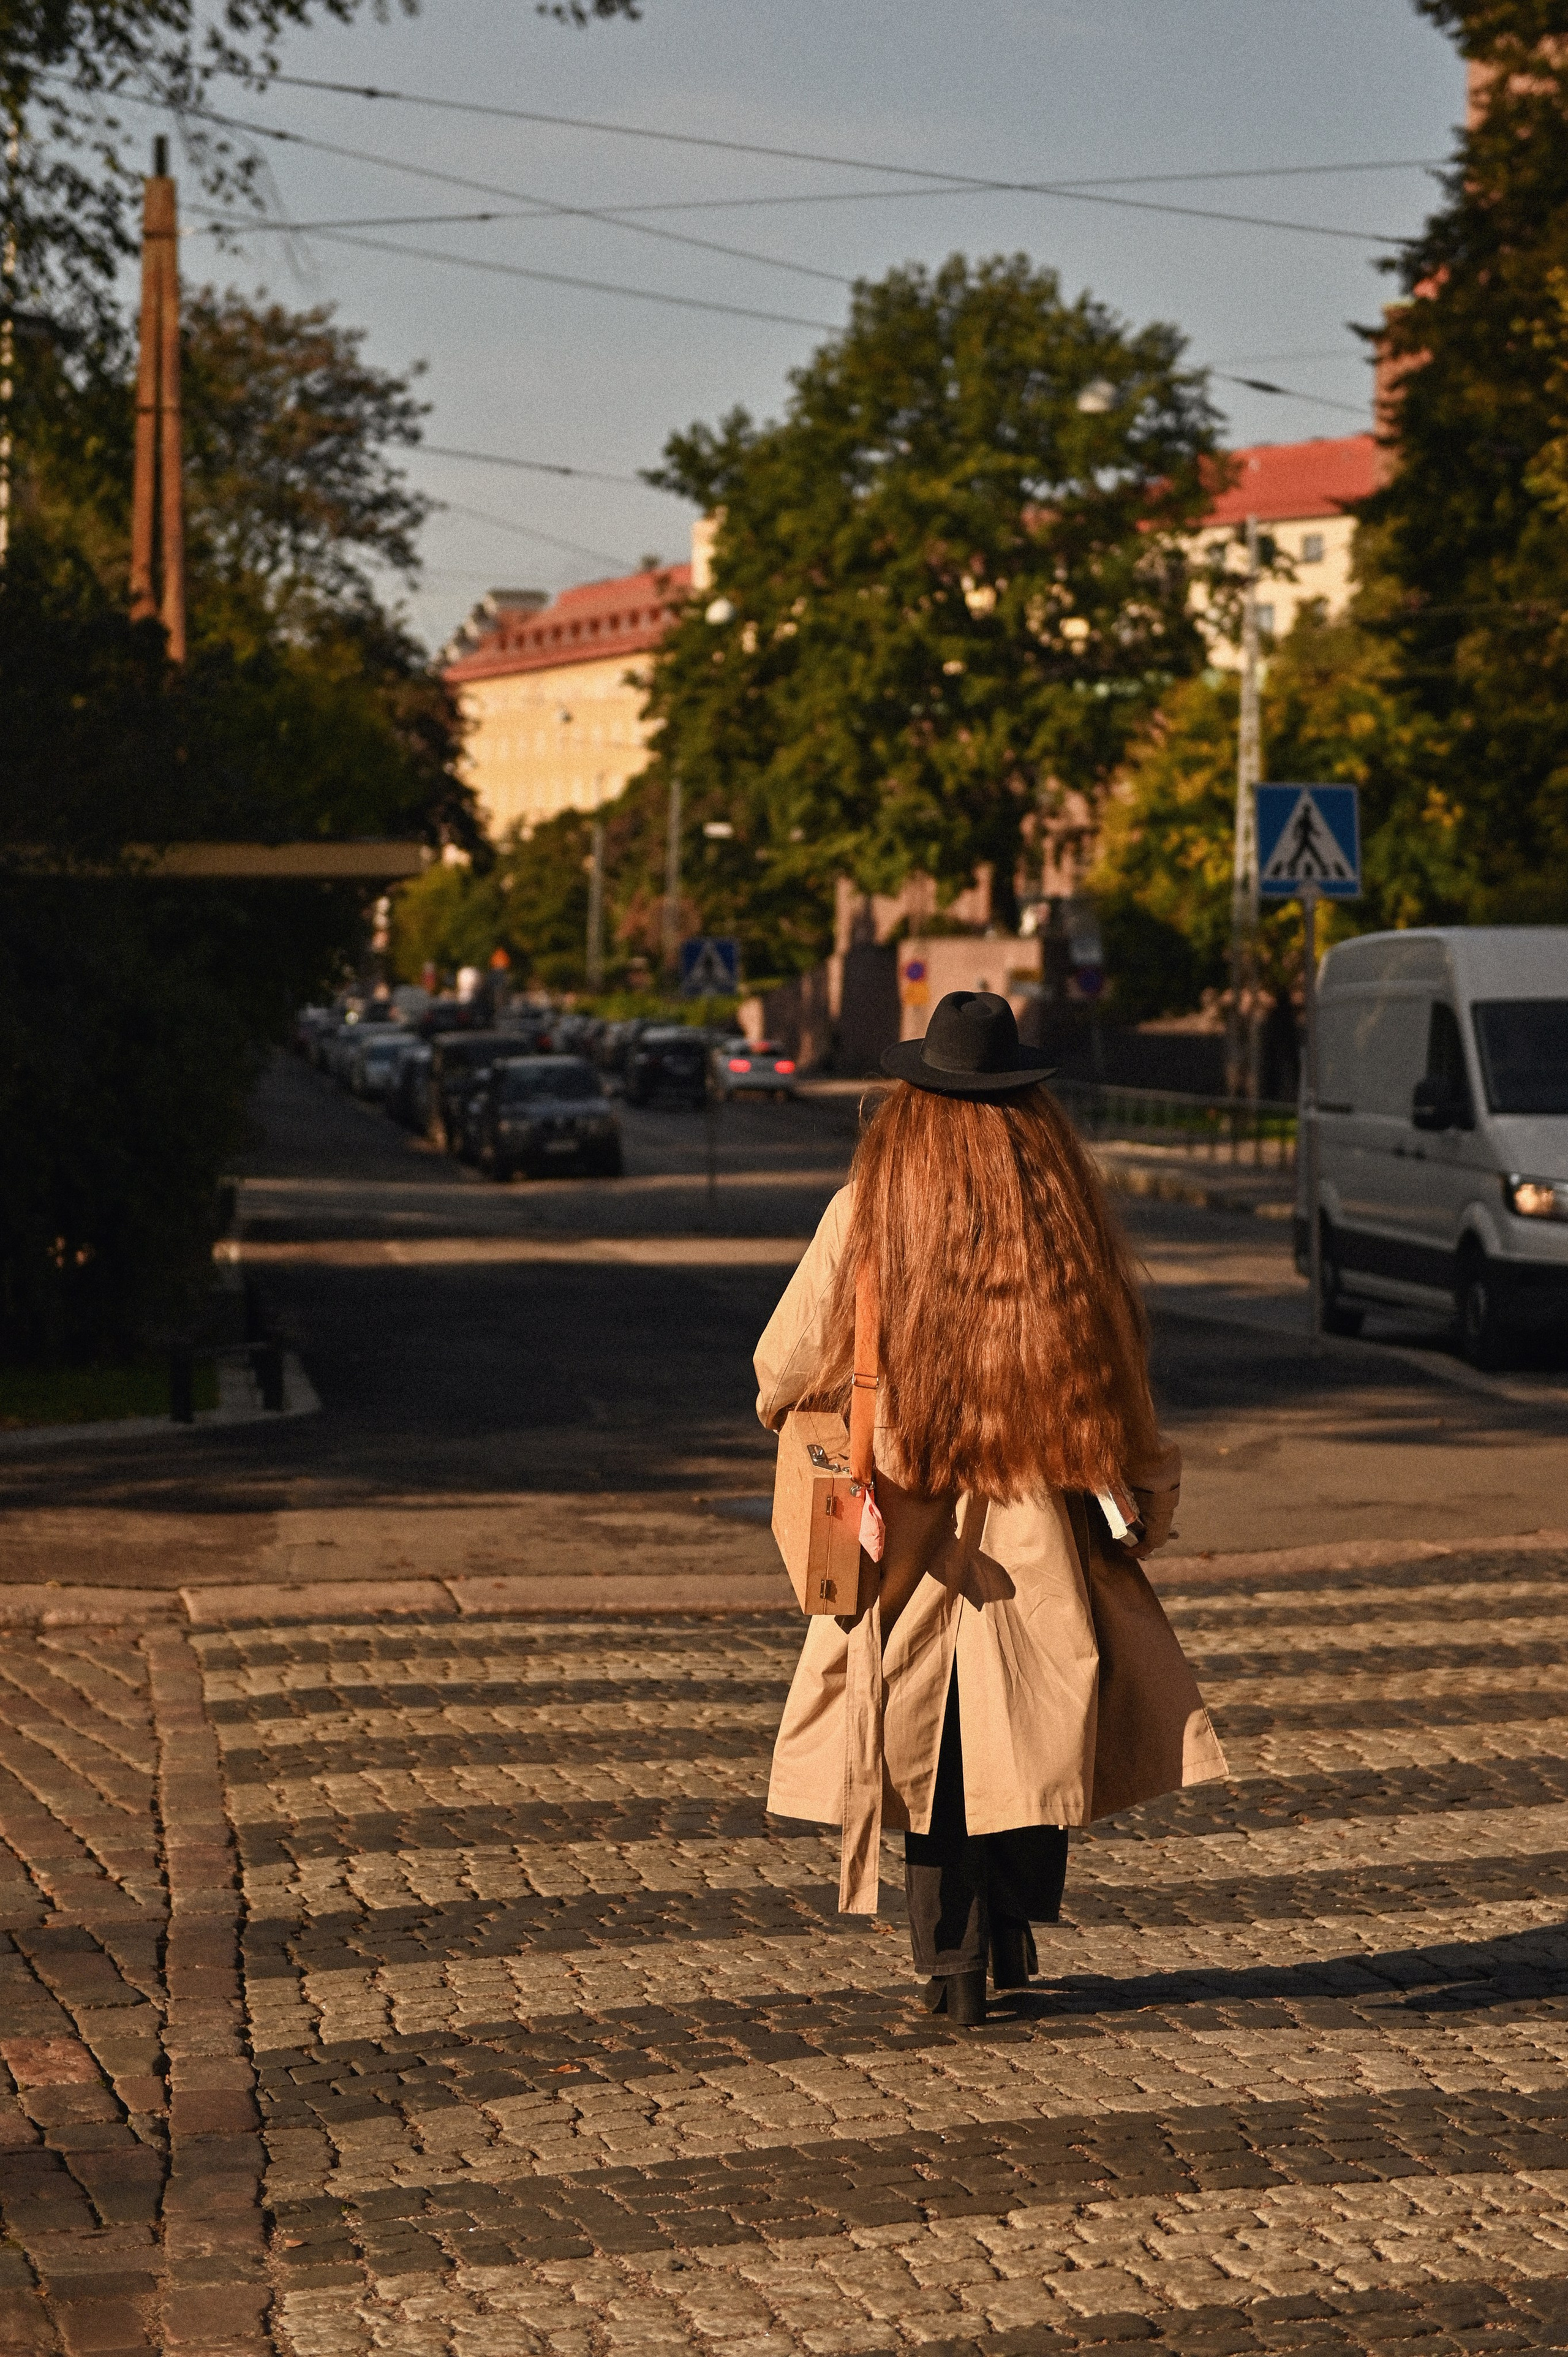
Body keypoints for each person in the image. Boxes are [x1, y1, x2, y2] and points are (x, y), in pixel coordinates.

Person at [755, 990, 1226, 2026]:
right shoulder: (1063, 1218)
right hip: (1041, 1520)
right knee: (1032, 1725)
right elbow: (1121, 1385)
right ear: (1031, 1107)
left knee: (930, 1746)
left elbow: (780, 1367)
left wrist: (822, 1415)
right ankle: (1012, 1928)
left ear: (915, 1100)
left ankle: (952, 1963)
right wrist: (1149, 1494)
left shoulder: (867, 1213)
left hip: (903, 1521)